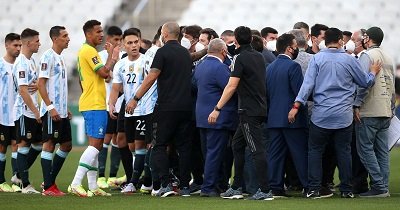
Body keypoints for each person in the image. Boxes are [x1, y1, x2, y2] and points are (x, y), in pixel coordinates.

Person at [289, 28, 381, 199]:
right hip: (343, 115)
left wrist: (296, 105)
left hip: (320, 114)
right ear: (340, 40)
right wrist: (373, 72)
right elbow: (364, 82)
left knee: (315, 151)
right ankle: (347, 189)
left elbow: (307, 85)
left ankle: (314, 188)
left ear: (325, 41)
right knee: (344, 152)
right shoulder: (349, 60)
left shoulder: (317, 59)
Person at [125, 22, 193, 197]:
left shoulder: (162, 52)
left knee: (158, 145)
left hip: (166, 107)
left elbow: (151, 77)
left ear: (164, 34)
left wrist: (135, 98)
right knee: (184, 148)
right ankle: (185, 186)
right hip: (186, 107)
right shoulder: (185, 54)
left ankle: (165, 184)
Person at [209, 26, 273, 200]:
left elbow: (231, 86)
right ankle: (237, 186)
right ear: (251, 39)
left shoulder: (239, 58)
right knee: (237, 145)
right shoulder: (258, 56)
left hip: (248, 110)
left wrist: (217, 108)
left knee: (256, 149)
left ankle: (265, 190)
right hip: (259, 107)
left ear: (235, 40)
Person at [68, 19, 119, 197]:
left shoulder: (87, 51)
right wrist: (112, 58)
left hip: (92, 102)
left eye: (102, 31)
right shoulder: (89, 51)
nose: (101, 34)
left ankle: (93, 186)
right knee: (97, 145)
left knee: (94, 146)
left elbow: (102, 77)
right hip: (95, 103)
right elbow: (105, 73)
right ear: (88, 34)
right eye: (98, 31)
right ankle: (75, 183)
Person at [193, 38, 238, 197]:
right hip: (217, 116)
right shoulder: (221, 68)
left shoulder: (199, 66)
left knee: (208, 152)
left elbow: (195, 86)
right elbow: (230, 89)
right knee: (215, 153)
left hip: (201, 116)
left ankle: (217, 184)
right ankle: (208, 187)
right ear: (224, 51)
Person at [266, 33, 308, 198]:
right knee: (299, 153)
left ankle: (275, 187)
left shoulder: (270, 67)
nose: (296, 48)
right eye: (295, 46)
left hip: (274, 118)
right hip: (292, 118)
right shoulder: (293, 67)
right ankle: (309, 186)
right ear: (289, 48)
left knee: (275, 155)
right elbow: (299, 93)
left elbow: (267, 94)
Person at [354, 27, 394, 198]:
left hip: (369, 109)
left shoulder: (367, 56)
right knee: (382, 152)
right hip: (385, 109)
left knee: (365, 150)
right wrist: (391, 108)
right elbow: (392, 86)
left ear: (367, 38)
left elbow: (364, 83)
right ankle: (383, 186)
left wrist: (356, 104)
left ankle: (379, 186)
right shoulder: (389, 57)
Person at [108, 28, 147, 194]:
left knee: (139, 144)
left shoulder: (147, 61)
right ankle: (132, 177)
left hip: (143, 107)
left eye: (136, 42)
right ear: (123, 45)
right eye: (129, 43)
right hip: (126, 106)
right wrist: (111, 104)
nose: (133, 45)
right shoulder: (120, 64)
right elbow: (116, 87)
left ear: (140, 42)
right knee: (123, 141)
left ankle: (136, 181)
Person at [38, 26, 72, 196]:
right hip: (52, 110)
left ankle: (49, 181)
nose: (68, 38)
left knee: (67, 145)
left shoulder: (61, 58)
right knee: (49, 144)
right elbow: (41, 84)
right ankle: (49, 187)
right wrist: (50, 107)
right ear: (55, 39)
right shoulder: (48, 56)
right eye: (65, 36)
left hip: (62, 111)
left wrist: (65, 108)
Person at [13, 28, 42, 194]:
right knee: (23, 144)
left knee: (38, 144)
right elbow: (23, 91)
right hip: (24, 111)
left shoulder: (31, 61)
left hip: (32, 110)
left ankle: (18, 175)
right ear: (29, 43)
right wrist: (36, 112)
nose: (39, 44)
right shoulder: (22, 63)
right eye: (37, 41)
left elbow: (33, 85)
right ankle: (25, 185)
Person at [97, 25, 123, 189]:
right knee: (104, 139)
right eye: (115, 40)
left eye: (120, 40)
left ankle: (112, 176)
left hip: (121, 105)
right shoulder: (100, 57)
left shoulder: (124, 57)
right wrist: (111, 60)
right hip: (106, 103)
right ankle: (100, 176)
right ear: (109, 40)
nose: (118, 43)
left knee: (118, 139)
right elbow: (106, 78)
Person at [0, 33, 22, 192]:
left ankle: (16, 180)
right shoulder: (1, 65)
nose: (18, 49)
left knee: (16, 144)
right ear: (7, 45)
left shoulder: (20, 65)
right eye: (15, 45)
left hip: (17, 113)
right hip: (2, 114)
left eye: (20, 45)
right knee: (2, 146)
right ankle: (1, 181)